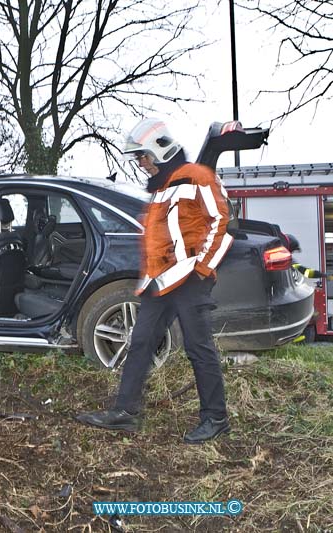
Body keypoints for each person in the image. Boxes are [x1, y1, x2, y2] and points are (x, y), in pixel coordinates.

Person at [75, 118, 233, 444]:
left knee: (198, 348)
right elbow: (158, 241)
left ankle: (216, 418)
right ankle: (125, 413)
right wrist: (147, 279)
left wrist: (202, 270)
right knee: (141, 342)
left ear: (158, 151)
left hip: (189, 279)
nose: (141, 165)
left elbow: (221, 222)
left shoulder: (197, 177)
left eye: (142, 157)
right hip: (159, 283)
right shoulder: (161, 189)